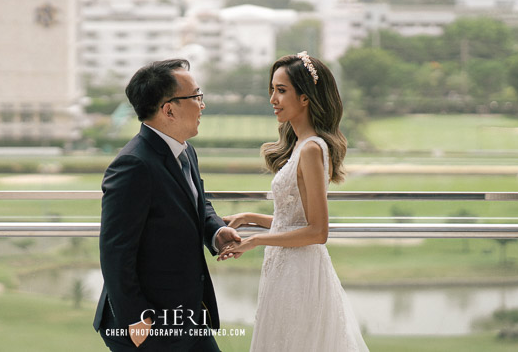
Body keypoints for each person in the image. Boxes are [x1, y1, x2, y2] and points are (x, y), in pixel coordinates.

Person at [218, 52, 369, 352]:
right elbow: (295, 222)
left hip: (300, 272)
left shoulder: (312, 149)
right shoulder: (301, 145)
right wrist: (250, 217)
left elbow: (318, 231)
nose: (273, 98)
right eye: (272, 89)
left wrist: (256, 240)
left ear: (305, 98)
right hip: (284, 267)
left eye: (282, 90)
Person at [94, 59, 242, 350]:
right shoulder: (133, 165)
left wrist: (215, 231)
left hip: (187, 316)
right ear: (169, 109)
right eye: (196, 96)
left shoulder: (185, 151)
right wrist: (135, 319)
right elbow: (115, 250)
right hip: (149, 323)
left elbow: (197, 202)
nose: (202, 105)